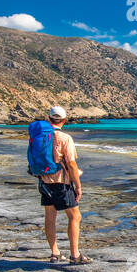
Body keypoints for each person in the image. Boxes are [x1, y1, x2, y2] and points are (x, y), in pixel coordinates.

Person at [37, 106, 87, 263]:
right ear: (64, 121)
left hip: (44, 181)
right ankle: (75, 255)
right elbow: (71, 164)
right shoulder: (65, 138)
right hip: (61, 183)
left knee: (50, 216)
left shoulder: (39, 136)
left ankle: (55, 252)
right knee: (75, 216)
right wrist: (78, 186)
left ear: (49, 118)